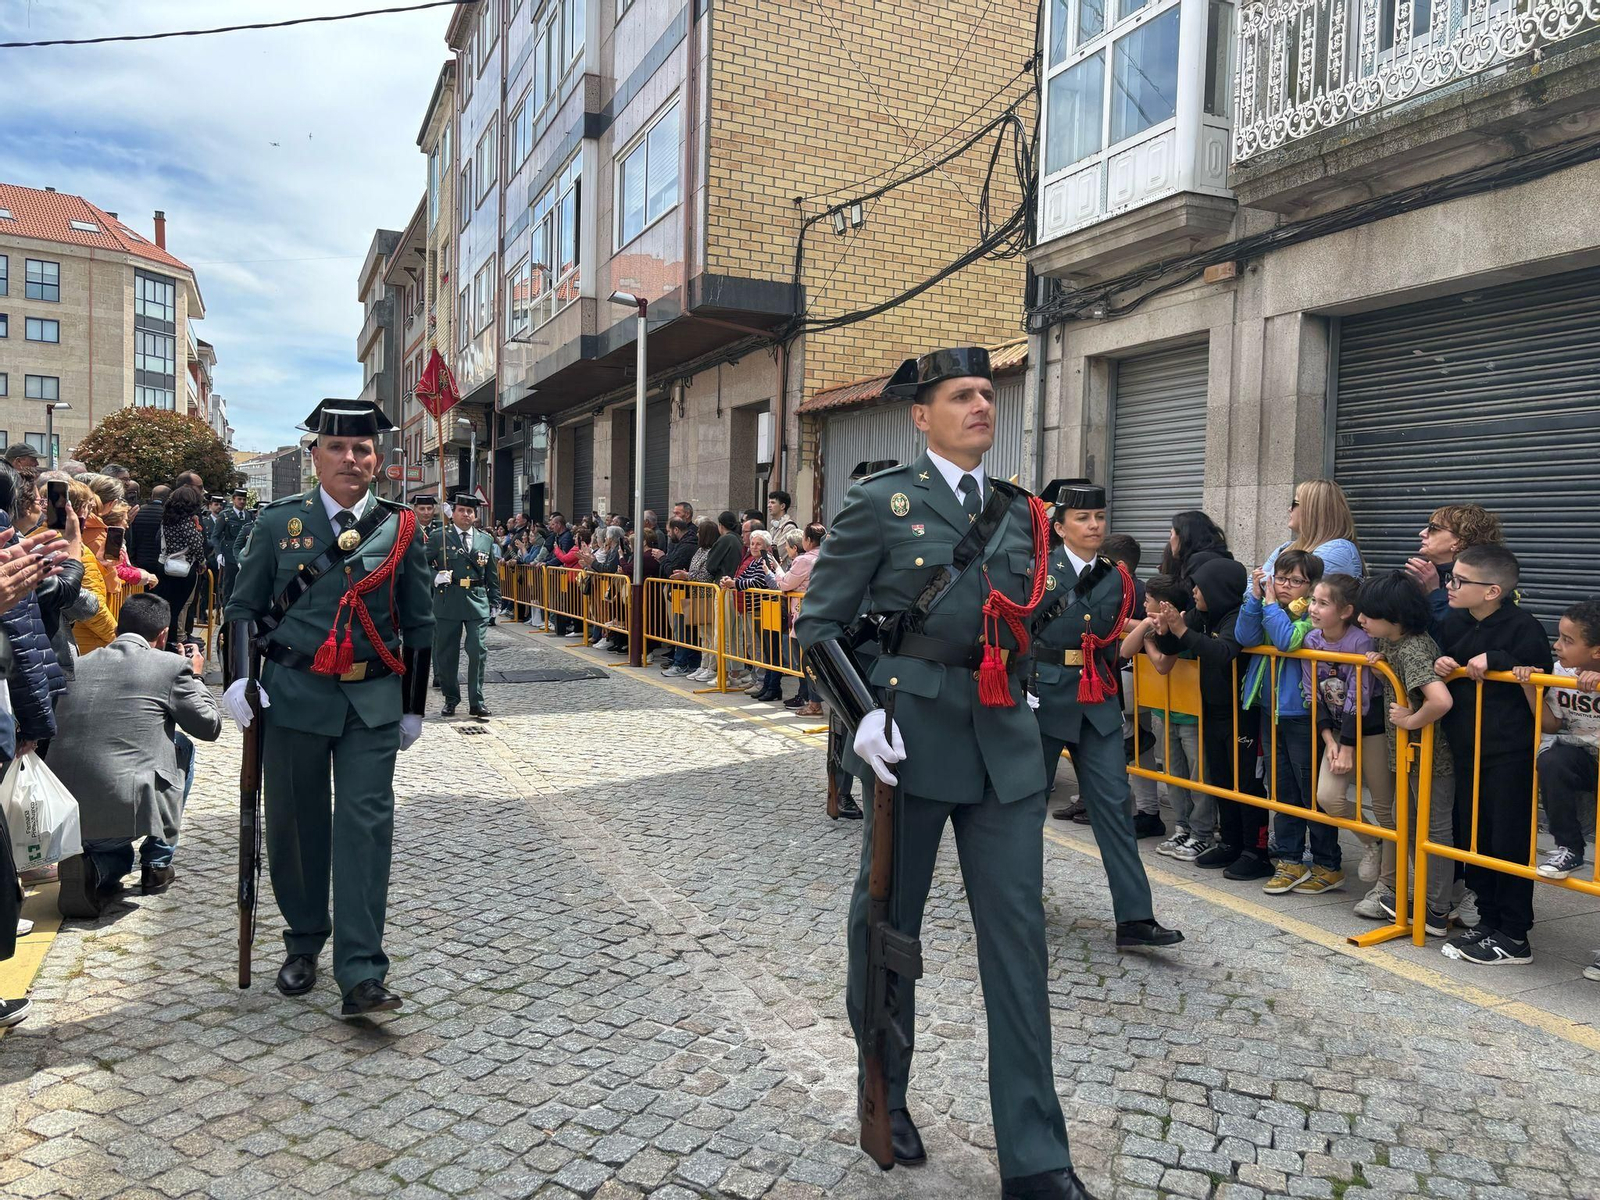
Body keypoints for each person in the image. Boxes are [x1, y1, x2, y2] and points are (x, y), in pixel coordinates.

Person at [797, 346, 1097, 1200]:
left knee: (1019, 947)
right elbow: (818, 625)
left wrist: (1039, 688)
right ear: (920, 415)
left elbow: (1035, 621)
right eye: (961, 395)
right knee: (887, 929)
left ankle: (1036, 1160)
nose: (980, 405)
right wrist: (865, 719)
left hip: (1002, 744)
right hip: (914, 738)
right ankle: (884, 1091)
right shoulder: (879, 502)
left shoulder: (1022, 512)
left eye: (987, 394)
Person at [222, 398, 433, 1017]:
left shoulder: (402, 527)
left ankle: (363, 972)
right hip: (292, 697)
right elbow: (243, 607)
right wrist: (239, 680)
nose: (351, 458)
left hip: (371, 701)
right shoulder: (276, 523)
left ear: (379, 460)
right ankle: (304, 940)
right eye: (338, 448)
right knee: (295, 823)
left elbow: (418, 623)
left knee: (366, 828)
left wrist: (414, 705)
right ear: (315, 456)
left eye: (362, 449)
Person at [1029, 480, 1182, 951]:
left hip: (1096, 701)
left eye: (1099, 518)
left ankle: (1135, 918)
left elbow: (1120, 639)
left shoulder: (1120, 578)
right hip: (1045, 697)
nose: (1094, 525)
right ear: (1059, 526)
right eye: (1082, 518)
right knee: (1026, 807)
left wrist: (1164, 633)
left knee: (1116, 806)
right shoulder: (1037, 571)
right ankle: (1018, 899)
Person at [52, 594, 221, 916]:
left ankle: (92, 871)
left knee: (111, 855)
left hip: (62, 815)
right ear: (163, 634)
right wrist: (197, 675)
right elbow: (209, 726)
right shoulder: (172, 665)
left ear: (118, 625)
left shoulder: (77, 664)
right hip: (121, 810)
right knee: (183, 746)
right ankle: (157, 863)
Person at [1433, 544, 1550, 965]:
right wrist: (1446, 664)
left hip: (1508, 753)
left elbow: (1539, 679)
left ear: (1492, 591)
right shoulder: (1452, 620)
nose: (1450, 585)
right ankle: (1488, 920)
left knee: (1508, 840)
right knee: (1474, 837)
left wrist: (1500, 659)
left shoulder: (1524, 627)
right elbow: (1444, 664)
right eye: (1451, 577)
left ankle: (1515, 934)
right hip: (1466, 748)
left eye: (1460, 580)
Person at [1355, 571, 1455, 937]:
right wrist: (1382, 668)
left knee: (1434, 831)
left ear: (1395, 617)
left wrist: (1410, 719)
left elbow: (1440, 700)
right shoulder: (1394, 643)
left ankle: (1436, 909)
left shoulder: (1412, 647)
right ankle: (1427, 898)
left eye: (1369, 614)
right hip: (1411, 754)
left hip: (1431, 757)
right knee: (1409, 825)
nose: (1361, 619)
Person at [1150, 558, 1262, 874]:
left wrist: (1181, 628)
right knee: (1221, 781)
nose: (1194, 592)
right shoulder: (1202, 615)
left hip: (1242, 715)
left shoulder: (1235, 617)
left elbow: (1223, 652)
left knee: (1246, 784)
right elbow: (1178, 642)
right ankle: (1229, 843)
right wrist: (1166, 631)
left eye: (1200, 586)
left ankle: (1255, 850)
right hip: (1211, 711)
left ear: (1217, 588)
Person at [1240, 549, 1337, 896]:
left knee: (1311, 791)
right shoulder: (1271, 609)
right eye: (1280, 578)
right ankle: (1290, 860)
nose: (1284, 586)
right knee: (1282, 791)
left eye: (1295, 581)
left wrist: (1268, 606)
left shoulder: (1311, 615)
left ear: (1311, 587)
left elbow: (1287, 641)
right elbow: (1246, 637)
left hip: (1303, 714)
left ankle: (1327, 863)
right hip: (1270, 710)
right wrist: (1255, 599)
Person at [1301, 573, 1392, 910]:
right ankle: (1373, 843)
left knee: (1384, 806)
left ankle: (1388, 883)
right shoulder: (1312, 640)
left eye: (1322, 603)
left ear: (1345, 611)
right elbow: (1314, 694)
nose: (1313, 608)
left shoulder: (1360, 642)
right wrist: (1330, 739)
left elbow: (1360, 697)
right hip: (1336, 731)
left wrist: (1348, 746)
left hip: (1370, 731)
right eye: (1313, 600)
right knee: (1328, 797)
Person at [1517, 599, 1600, 894]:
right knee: (1552, 759)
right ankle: (1570, 848)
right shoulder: (1560, 672)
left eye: (1567, 640)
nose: (1556, 646)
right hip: (1583, 755)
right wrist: (1531, 686)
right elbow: (1550, 725)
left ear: (1596, 651)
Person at [1123, 575, 1208, 861]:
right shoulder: (1156, 625)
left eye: (1147, 601)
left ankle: (1202, 832)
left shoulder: (1181, 628)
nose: (1143, 604)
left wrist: (1149, 640)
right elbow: (1125, 649)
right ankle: (1182, 827)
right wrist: (1147, 625)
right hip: (1166, 710)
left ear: (1163, 604)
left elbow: (1162, 663)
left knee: (1197, 779)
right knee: (1173, 776)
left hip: (1191, 714)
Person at [427, 495, 499, 719]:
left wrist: (495, 600)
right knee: (447, 654)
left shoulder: (485, 539)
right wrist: (435, 576)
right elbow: (421, 565)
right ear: (453, 513)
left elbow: (491, 573)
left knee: (477, 650)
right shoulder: (439, 537)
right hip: (448, 599)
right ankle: (451, 699)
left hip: (477, 601)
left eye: (470, 511)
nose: (466, 515)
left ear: (475, 515)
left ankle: (477, 702)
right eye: (461, 510)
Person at [1405, 503, 1503, 631]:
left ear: (1458, 541)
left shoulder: (1482, 579)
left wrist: (1434, 592)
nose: (1422, 533)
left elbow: (1462, 630)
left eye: (1433, 528)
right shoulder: (1426, 573)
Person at [1259, 479, 1363, 584]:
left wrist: (1264, 583)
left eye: (1295, 503)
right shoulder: (1286, 547)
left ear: (1313, 510)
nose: (1289, 509)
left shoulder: (1336, 551)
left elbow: (1283, 590)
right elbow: (1252, 588)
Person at [775, 524, 825, 715]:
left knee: (806, 662)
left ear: (808, 540)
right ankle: (814, 700)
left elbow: (787, 583)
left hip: (803, 615)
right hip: (822, 613)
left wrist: (777, 571)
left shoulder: (805, 560)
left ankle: (814, 702)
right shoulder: (829, 557)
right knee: (814, 660)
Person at [154, 484, 207, 650]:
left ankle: (166, 639)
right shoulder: (187, 523)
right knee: (176, 608)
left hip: (164, 565)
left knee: (166, 605)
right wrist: (202, 562)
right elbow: (196, 545)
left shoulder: (166, 520)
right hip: (184, 569)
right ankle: (173, 642)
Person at [1159, 510, 1232, 596]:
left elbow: (1190, 600)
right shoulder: (1217, 556)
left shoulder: (1198, 560)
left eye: (1171, 534)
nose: (1170, 540)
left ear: (1184, 535)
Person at [217, 487, 251, 608]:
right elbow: (215, 537)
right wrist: (218, 554)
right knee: (229, 587)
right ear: (233, 499)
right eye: (239, 499)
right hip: (230, 556)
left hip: (246, 557)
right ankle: (227, 613)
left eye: (244, 499)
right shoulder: (225, 516)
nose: (242, 501)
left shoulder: (249, 516)